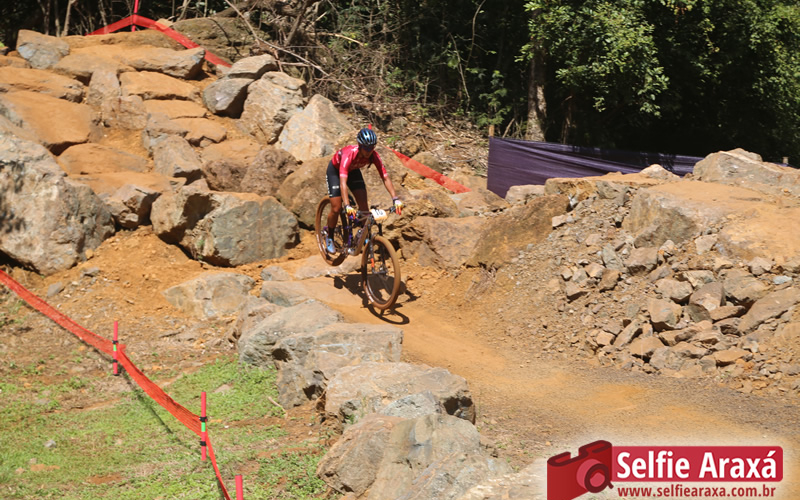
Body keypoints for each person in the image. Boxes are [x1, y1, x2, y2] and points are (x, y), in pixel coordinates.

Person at [324, 127, 403, 253]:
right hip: (336, 171)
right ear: (360, 146)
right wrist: (347, 205)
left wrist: (395, 199)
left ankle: (363, 236)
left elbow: (385, 177)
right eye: (366, 148)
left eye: (372, 147)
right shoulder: (349, 154)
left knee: (364, 208)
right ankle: (330, 236)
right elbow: (343, 182)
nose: (369, 151)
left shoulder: (374, 156)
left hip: (353, 171)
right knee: (336, 208)